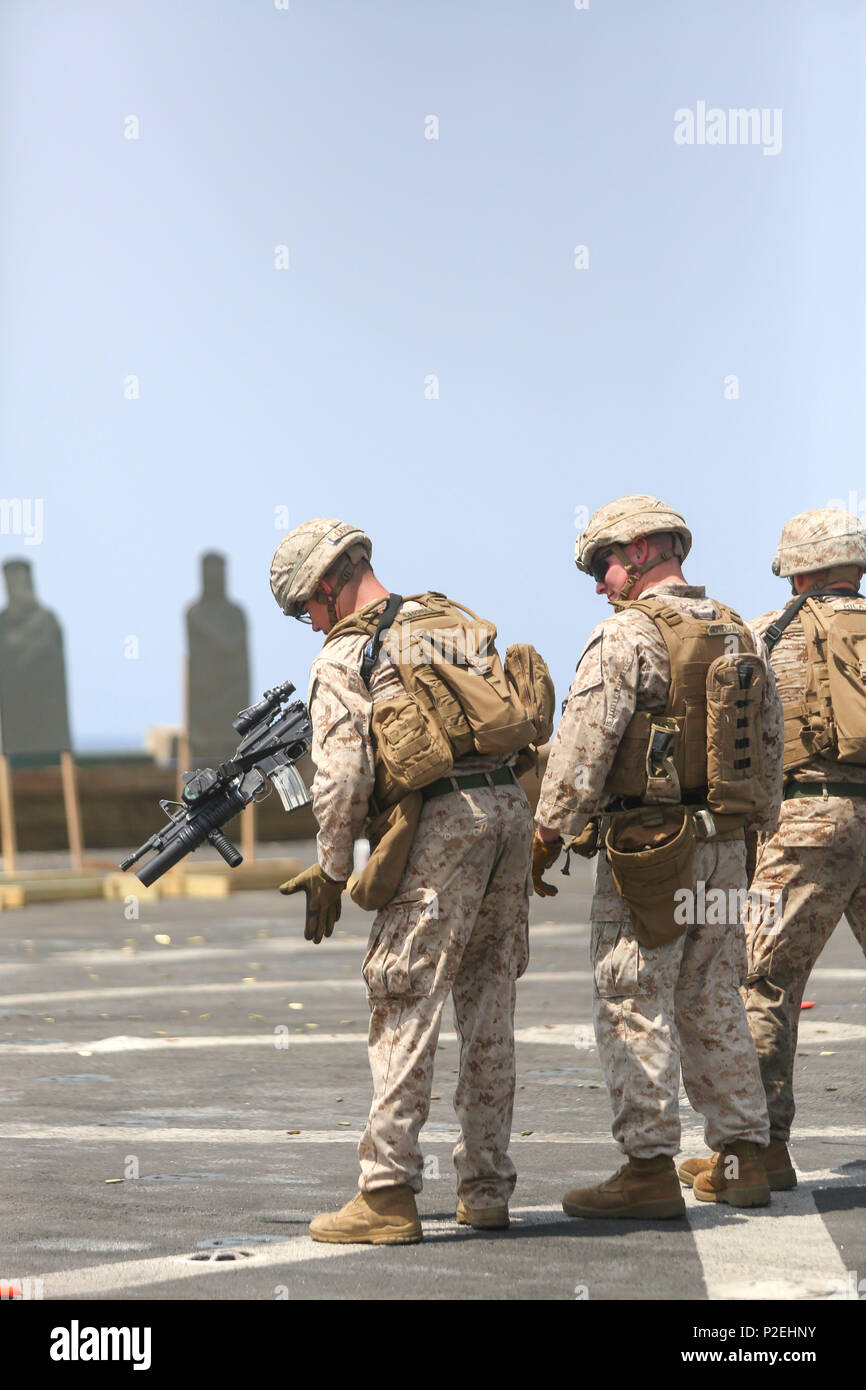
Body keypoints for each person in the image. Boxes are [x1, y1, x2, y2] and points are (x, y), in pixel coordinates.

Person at [270, 518, 535, 1243]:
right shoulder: (448, 619)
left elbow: (342, 778)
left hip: (444, 824)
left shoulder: (346, 654)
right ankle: (485, 1186)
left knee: (404, 998)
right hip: (510, 809)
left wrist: (332, 869)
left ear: (327, 586)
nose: (309, 624)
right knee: (488, 1002)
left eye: (305, 609)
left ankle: (386, 1193)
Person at [534, 495, 784, 1217]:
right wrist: (753, 833)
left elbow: (583, 750)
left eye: (604, 562)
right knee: (713, 997)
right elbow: (771, 745)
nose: (599, 581)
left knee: (632, 997)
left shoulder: (625, 639)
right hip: (726, 846)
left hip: (650, 851)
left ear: (643, 550)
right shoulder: (741, 630)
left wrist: (546, 836)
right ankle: (743, 1158)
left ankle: (647, 1170)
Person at [680, 508, 866, 1193]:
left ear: (797, 570)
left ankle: (757, 1152)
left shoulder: (767, 633)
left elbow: (727, 735)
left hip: (806, 820)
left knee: (765, 983)